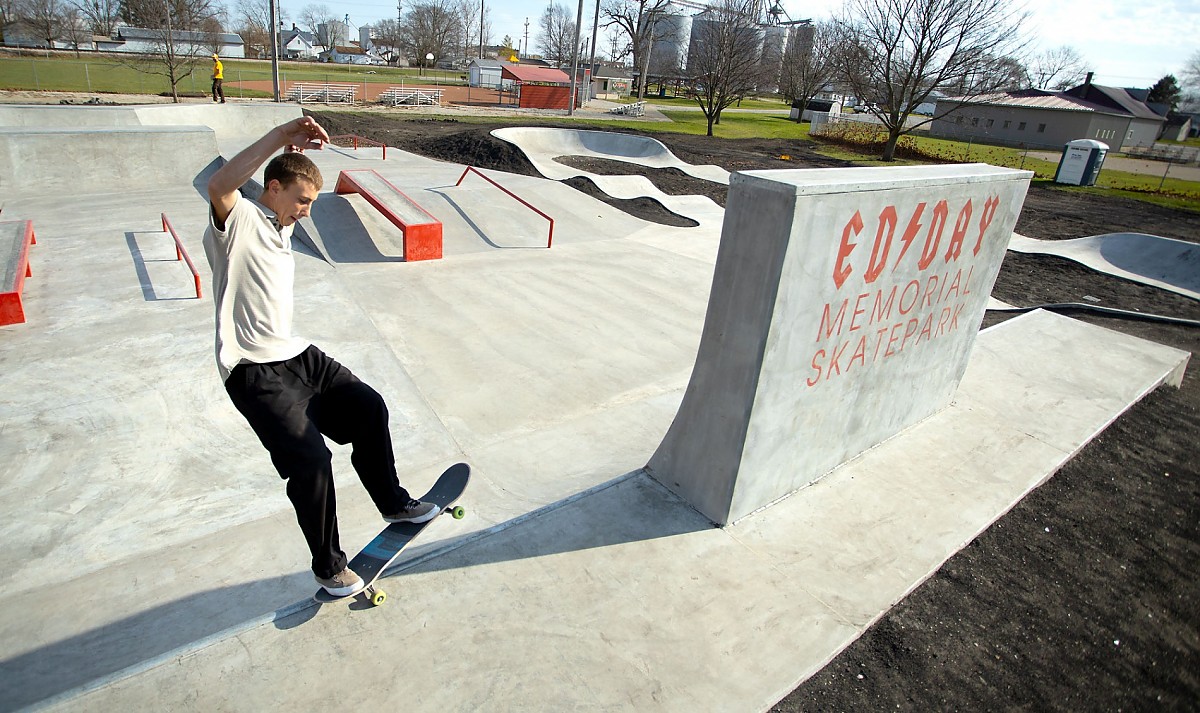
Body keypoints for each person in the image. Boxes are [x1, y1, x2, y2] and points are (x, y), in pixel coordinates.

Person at [202, 116, 438, 597]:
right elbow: (219, 183)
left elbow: (286, 214)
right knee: (312, 461)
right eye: (302, 201)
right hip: (251, 370)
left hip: (296, 356)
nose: (307, 212)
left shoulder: (279, 225)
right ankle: (329, 567)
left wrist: (300, 168)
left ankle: (392, 501)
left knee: (369, 409)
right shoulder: (240, 219)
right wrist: (281, 137)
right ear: (273, 188)